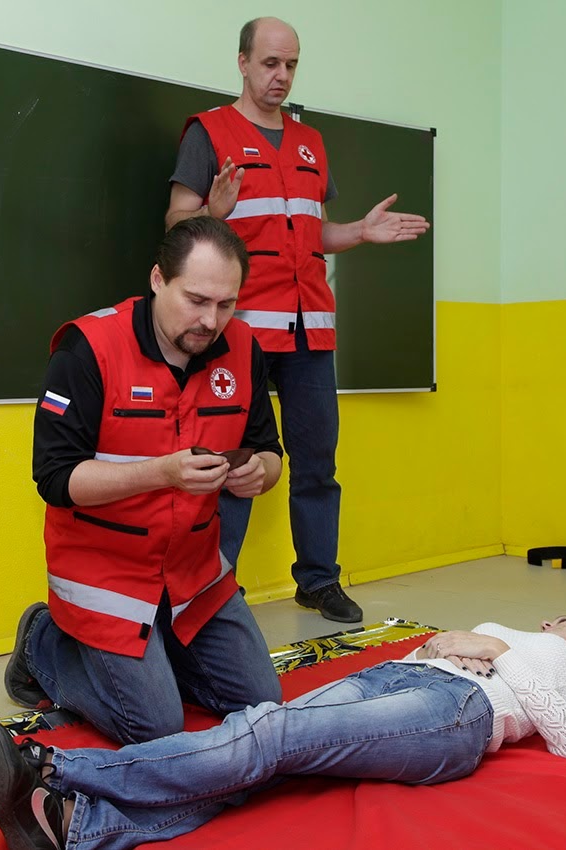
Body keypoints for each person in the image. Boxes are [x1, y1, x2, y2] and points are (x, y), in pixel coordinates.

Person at [0, 615, 566, 850]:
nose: (549, 622)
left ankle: (49, 768)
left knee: (265, 734)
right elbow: (442, 647)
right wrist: (454, 643)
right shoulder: (522, 636)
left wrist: (496, 650)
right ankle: (74, 828)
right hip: (399, 677)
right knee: (262, 759)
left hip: (459, 714)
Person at [165, 18, 432, 624]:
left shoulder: (311, 142)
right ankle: (214, 590)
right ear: (242, 62)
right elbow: (176, 225)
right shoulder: (209, 133)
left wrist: (359, 232)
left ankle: (318, 581)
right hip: (239, 331)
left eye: (290, 65)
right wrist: (213, 210)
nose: (281, 76)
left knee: (317, 461)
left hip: (311, 327)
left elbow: (314, 233)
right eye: (269, 64)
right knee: (232, 460)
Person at [4, 216, 286, 745]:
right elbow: (55, 478)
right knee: (155, 726)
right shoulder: (87, 347)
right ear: (158, 279)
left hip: (193, 573)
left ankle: (159, 650)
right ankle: (42, 642)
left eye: (227, 304)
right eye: (196, 300)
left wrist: (260, 473)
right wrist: (162, 473)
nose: (211, 320)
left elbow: (269, 451)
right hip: (105, 574)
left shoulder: (244, 348)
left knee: (263, 706)